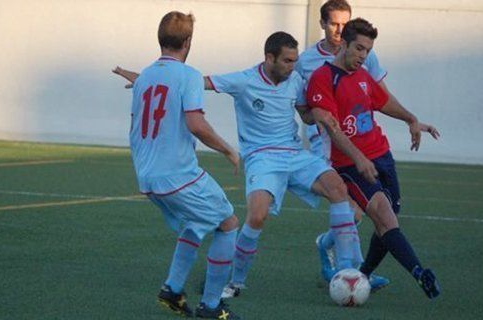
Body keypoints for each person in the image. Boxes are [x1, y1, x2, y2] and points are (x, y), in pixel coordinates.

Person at [115, 31, 366, 300]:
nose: (293, 67)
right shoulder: (243, 80)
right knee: (256, 216)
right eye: (287, 61)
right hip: (261, 157)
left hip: (294, 153)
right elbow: (196, 82)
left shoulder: (295, 80)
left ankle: (350, 270)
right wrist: (145, 79)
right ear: (269, 57)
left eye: (295, 61)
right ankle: (235, 282)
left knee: (338, 189)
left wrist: (321, 115)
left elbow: (305, 115)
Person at [305, 17, 441, 299]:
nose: (362, 55)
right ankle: (419, 273)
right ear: (343, 44)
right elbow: (330, 124)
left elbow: (383, 101)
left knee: (387, 223)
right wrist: (357, 158)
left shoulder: (363, 75)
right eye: (358, 48)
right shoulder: (322, 77)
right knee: (385, 218)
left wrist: (411, 119)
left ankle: (362, 275)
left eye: (367, 50)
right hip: (349, 165)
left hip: (382, 156)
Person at [127, 11, 242, 319]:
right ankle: (212, 305)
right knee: (228, 224)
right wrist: (228, 149)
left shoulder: (144, 77)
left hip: (148, 177)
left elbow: (137, 126)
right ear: (188, 41)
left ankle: (173, 288)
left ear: (160, 39)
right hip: (177, 175)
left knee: (196, 223)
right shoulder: (189, 75)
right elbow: (196, 123)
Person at [296, 0, 392, 289]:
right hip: (325, 145)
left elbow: (380, 95)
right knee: (349, 205)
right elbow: (304, 111)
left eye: (344, 24)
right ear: (323, 24)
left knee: (358, 210)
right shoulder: (306, 62)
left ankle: (328, 247)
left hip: (360, 142)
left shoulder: (363, 54)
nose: (340, 30)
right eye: (334, 23)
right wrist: (324, 114)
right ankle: (354, 273)